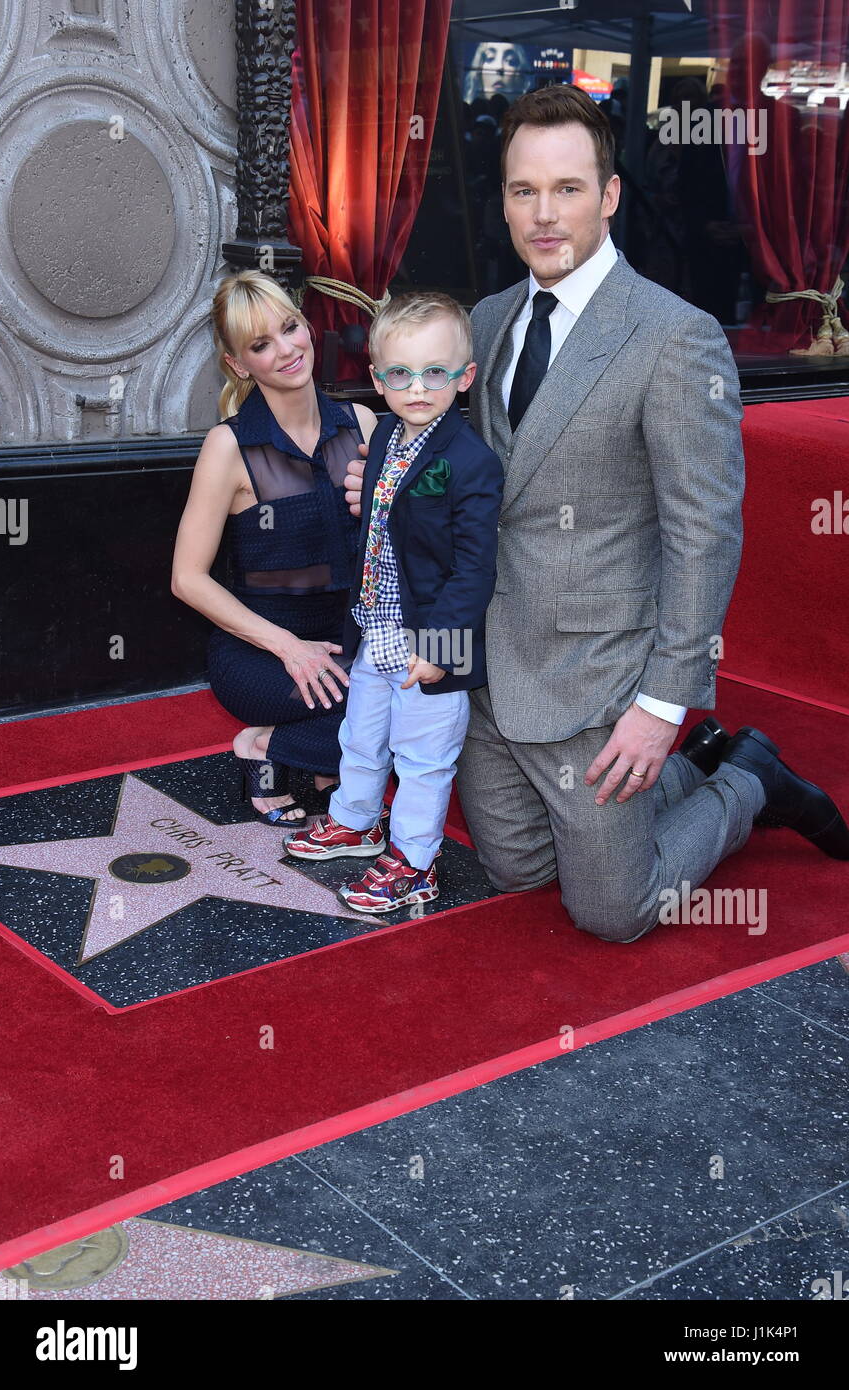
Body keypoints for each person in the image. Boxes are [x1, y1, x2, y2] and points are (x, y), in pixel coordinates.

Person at [345, 84, 849, 941]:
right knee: (515, 870)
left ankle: (747, 779)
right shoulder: (484, 323)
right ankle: (688, 776)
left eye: (567, 189)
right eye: (523, 190)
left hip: (595, 675)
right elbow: (457, 473)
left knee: (613, 911)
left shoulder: (674, 336)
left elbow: (703, 531)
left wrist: (662, 705)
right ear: (504, 201)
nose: (543, 214)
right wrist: (388, 490)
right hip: (485, 663)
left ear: (609, 195)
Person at [284, 293, 505, 912]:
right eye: (401, 374)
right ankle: (355, 821)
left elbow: (473, 569)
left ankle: (415, 861)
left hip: (427, 646)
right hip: (374, 627)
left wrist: (441, 649)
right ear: (377, 379)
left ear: (465, 377)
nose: (418, 388)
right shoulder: (383, 436)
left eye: (435, 372)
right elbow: (376, 529)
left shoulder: (472, 462)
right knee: (360, 736)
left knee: (423, 759)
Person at [172, 270, 377, 825]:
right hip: (262, 654)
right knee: (375, 709)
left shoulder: (359, 423)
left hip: (350, 638)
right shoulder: (228, 446)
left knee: (420, 694)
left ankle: (276, 745)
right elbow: (186, 579)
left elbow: (384, 549)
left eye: (290, 328)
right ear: (239, 364)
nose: (286, 350)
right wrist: (289, 648)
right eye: (261, 345)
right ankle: (287, 748)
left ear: (307, 327)